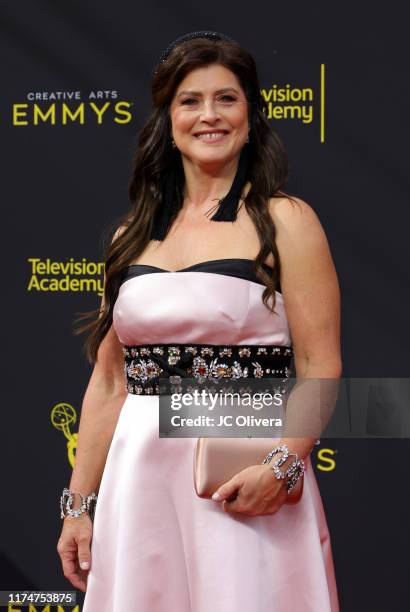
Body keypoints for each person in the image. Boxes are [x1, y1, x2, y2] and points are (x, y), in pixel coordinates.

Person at [57, 31, 341, 611]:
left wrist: (284, 464)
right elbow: (111, 382)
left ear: (250, 114)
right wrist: (80, 505)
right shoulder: (129, 236)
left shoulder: (286, 220)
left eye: (226, 99)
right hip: (142, 480)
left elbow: (320, 364)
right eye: (190, 101)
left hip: (245, 473)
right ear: (168, 116)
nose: (208, 116)